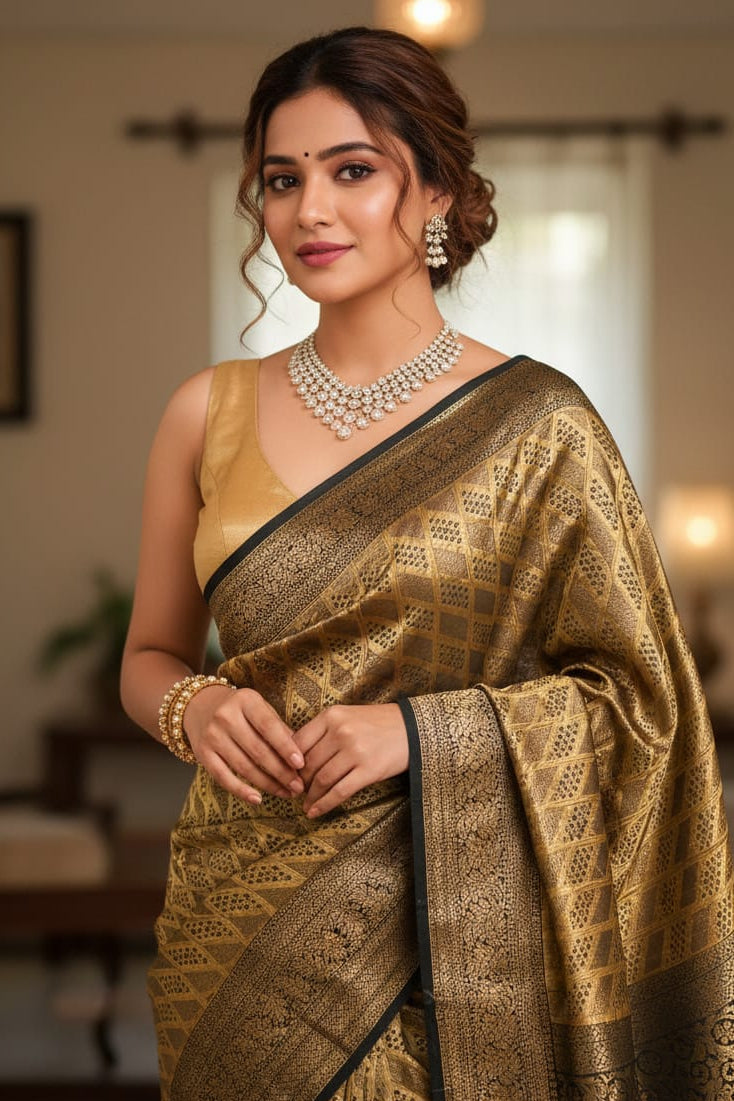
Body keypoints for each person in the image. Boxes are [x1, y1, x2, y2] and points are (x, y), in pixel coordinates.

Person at [120, 25, 734, 1101]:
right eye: (282, 179)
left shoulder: (539, 426)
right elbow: (150, 656)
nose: (309, 211)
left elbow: (643, 704)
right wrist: (196, 708)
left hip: (457, 946)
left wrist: (418, 732)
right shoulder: (203, 413)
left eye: (352, 170)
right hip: (236, 931)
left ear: (439, 191)